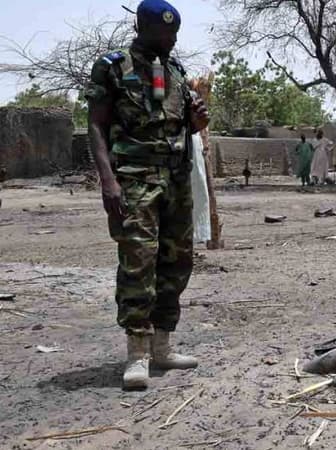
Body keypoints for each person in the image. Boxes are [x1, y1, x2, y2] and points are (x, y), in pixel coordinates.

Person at [85, 0, 209, 389]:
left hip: (175, 179)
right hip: (135, 179)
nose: (171, 40)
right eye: (163, 33)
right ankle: (136, 354)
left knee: (177, 261)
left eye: (174, 34)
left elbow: (178, 128)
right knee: (138, 262)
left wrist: (196, 122)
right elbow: (96, 126)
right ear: (143, 28)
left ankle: (162, 346)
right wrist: (108, 181)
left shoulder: (174, 70)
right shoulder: (112, 67)